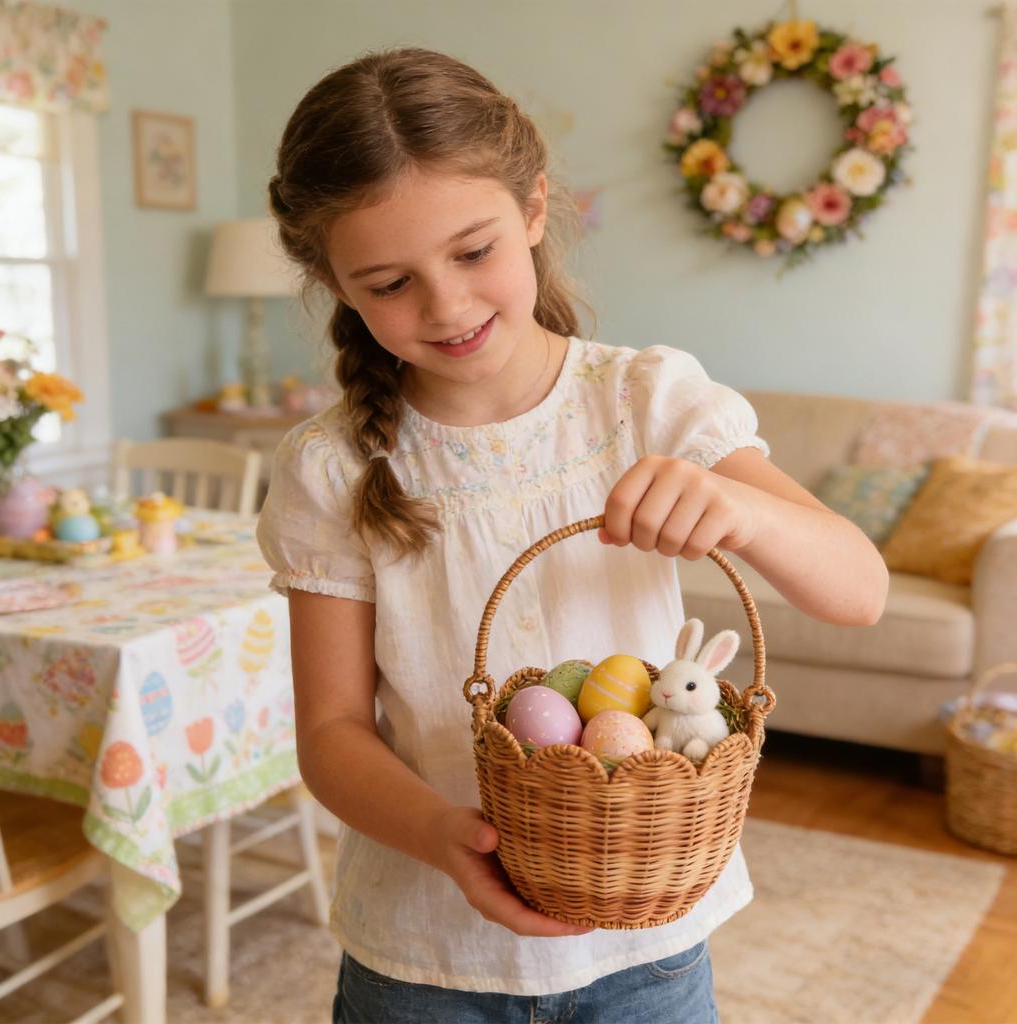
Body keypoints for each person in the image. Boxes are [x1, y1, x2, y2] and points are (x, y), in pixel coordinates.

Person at [258, 46, 889, 1024]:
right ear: (335, 283)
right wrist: (446, 838)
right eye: (388, 282)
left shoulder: (647, 398)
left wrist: (747, 511)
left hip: (646, 953)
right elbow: (331, 732)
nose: (448, 305)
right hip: (425, 955)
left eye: (473, 252)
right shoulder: (331, 465)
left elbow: (859, 590)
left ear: (536, 210)